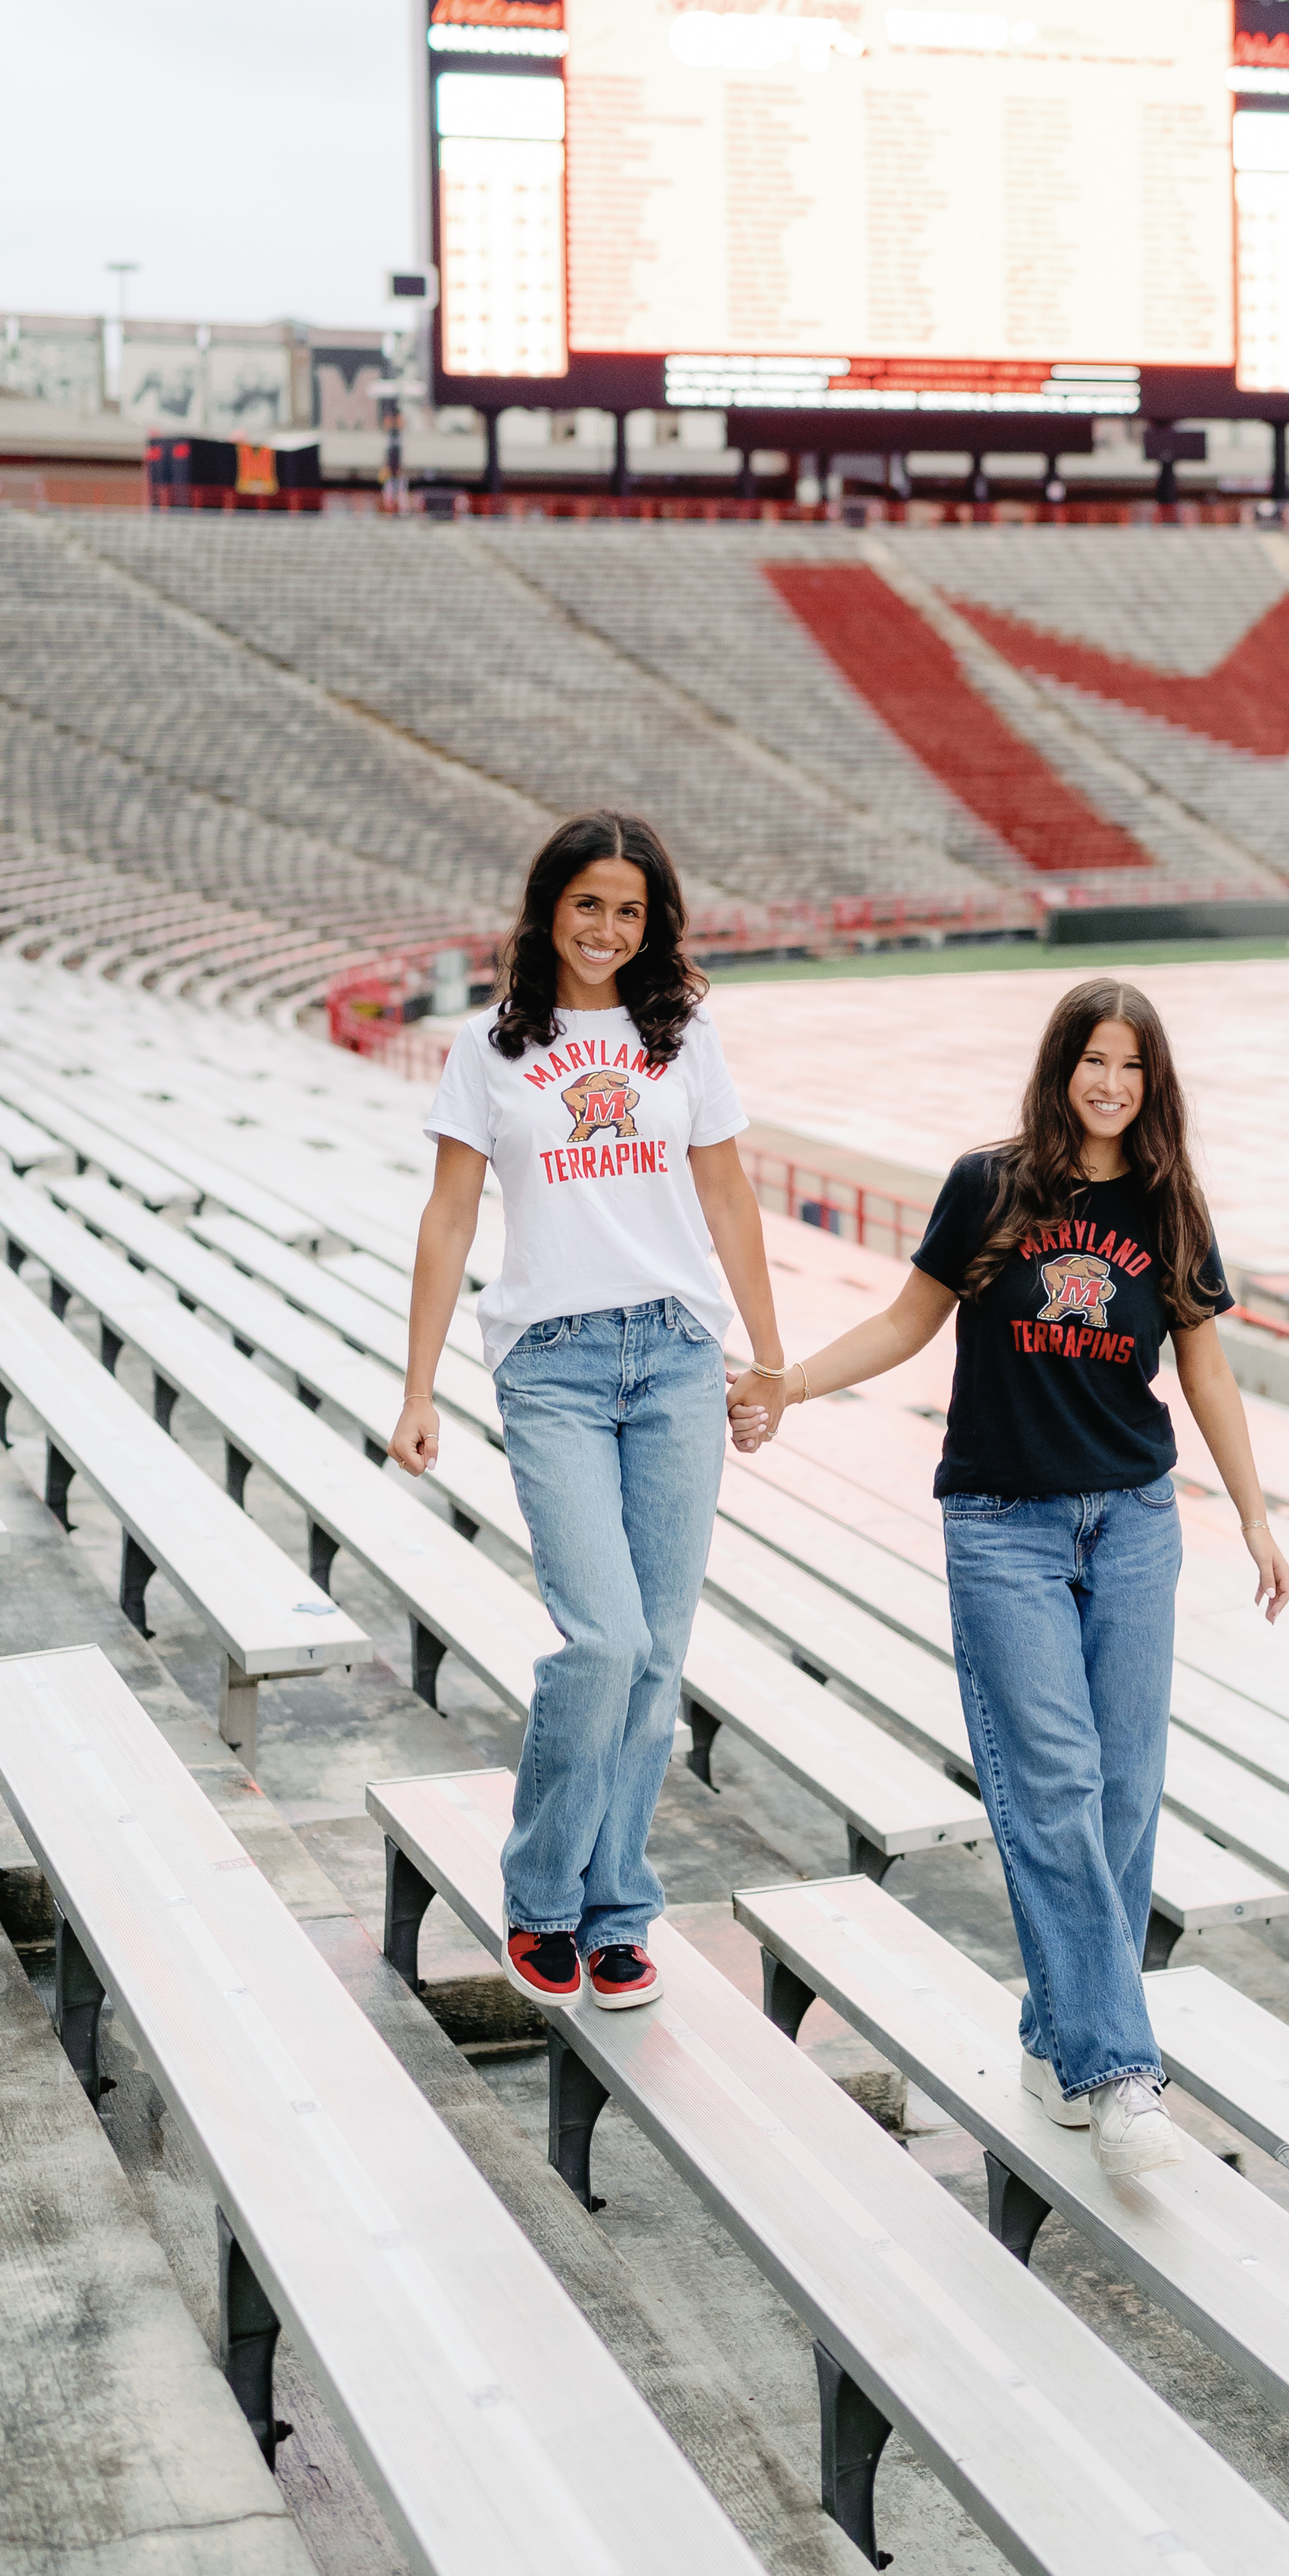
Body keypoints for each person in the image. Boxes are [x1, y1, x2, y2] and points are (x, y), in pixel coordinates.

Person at [728, 973, 1288, 2182]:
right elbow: (904, 1322)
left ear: (1156, 1084)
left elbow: (1208, 1375)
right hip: (1003, 1521)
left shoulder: (1169, 1206)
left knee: (1126, 1792)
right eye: (1094, 1058)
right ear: (1059, 1065)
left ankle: (1058, 2036)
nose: (1111, 1083)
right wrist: (792, 1384)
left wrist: (1254, 1515)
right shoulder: (990, 1186)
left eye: (1133, 1066)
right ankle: (1119, 2071)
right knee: (1054, 1787)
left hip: (1135, 1518)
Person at [391, 812, 784, 2012]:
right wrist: (418, 1388)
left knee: (658, 1657)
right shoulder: (491, 1048)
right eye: (588, 905)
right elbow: (452, 1216)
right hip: (552, 1366)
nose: (608, 929)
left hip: (674, 1357)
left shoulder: (686, 1040)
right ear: (548, 910)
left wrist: (770, 1358)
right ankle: (541, 1894)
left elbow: (726, 1194)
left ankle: (619, 1908)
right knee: (602, 1641)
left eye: (630, 909)